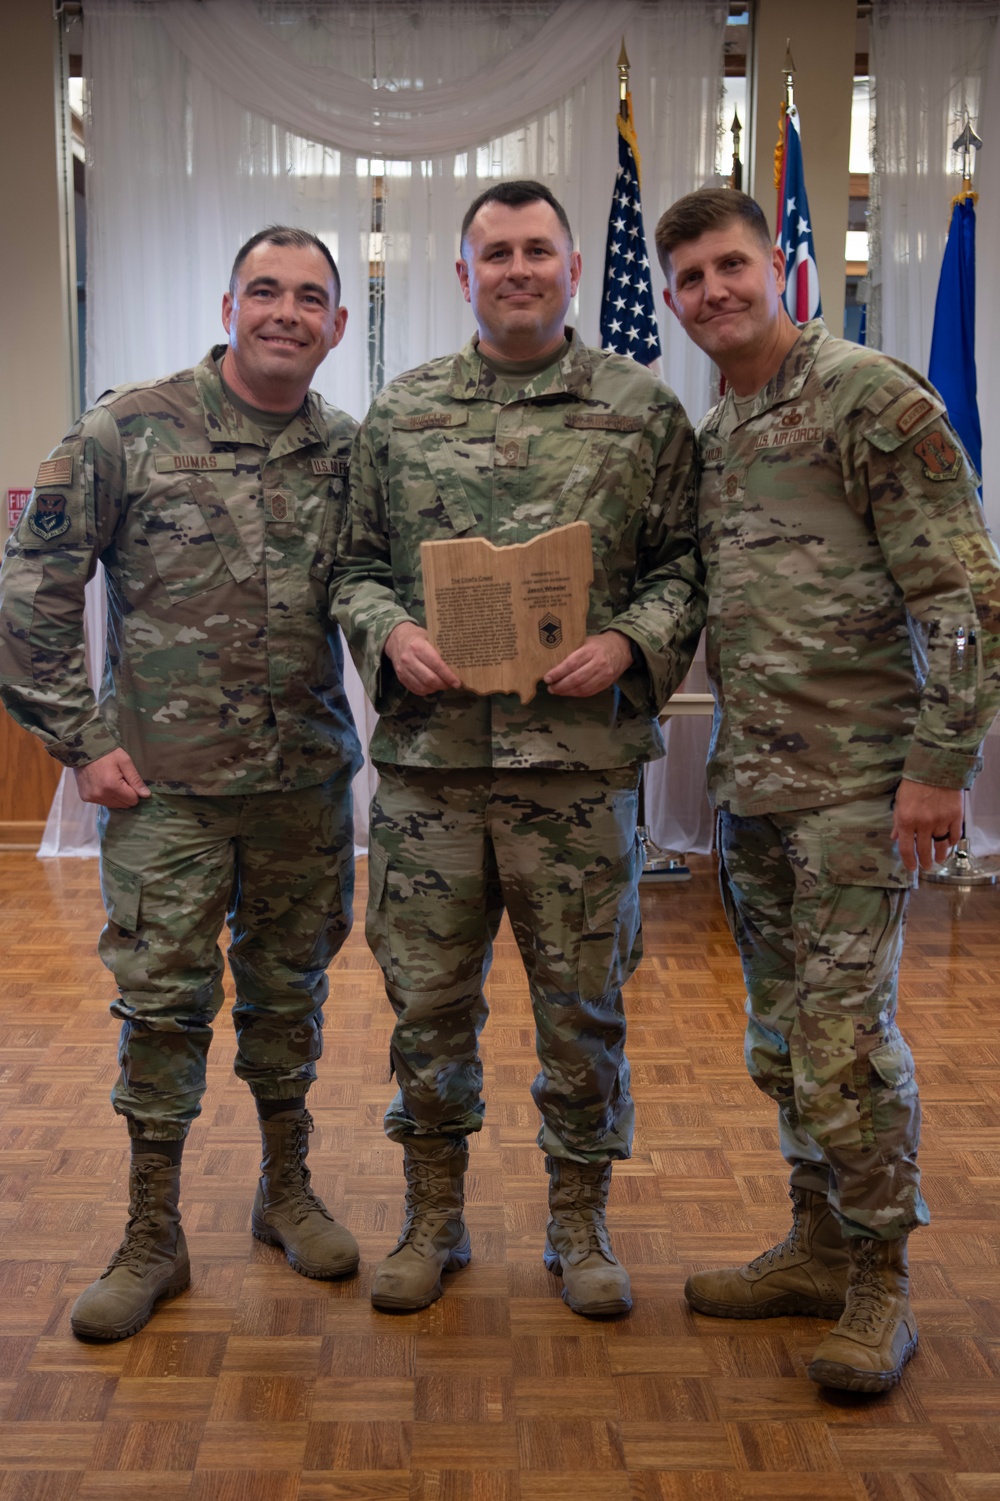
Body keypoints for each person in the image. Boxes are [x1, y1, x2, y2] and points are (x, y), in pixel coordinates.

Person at [331, 179, 705, 1319]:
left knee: (582, 1011)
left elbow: (690, 565)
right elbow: (350, 565)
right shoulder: (400, 414)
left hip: (577, 773)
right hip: (432, 776)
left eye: (537, 250)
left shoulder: (642, 411)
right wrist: (388, 628)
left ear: (573, 267)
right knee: (427, 1009)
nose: (517, 270)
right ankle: (433, 1215)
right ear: (462, 276)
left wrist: (629, 639)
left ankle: (577, 1223)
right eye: (494, 253)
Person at [655, 187, 1000, 1392]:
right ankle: (813, 1243)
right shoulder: (721, 431)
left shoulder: (871, 398)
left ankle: (881, 1281)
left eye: (729, 266)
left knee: (846, 1042)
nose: (712, 293)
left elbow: (963, 598)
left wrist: (937, 769)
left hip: (862, 787)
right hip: (754, 785)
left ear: (776, 267)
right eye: (690, 276)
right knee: (780, 1040)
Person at [0, 226, 363, 1341]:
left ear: (338, 326)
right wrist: (79, 739)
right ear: (228, 304)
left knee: (288, 995)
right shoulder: (129, 429)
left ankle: (285, 1188)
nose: (286, 312)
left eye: (310, 297)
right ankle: (151, 1230)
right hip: (163, 793)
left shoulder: (349, 452)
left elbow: (387, 592)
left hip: (302, 783)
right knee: (161, 1006)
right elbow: (34, 584)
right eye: (266, 290)